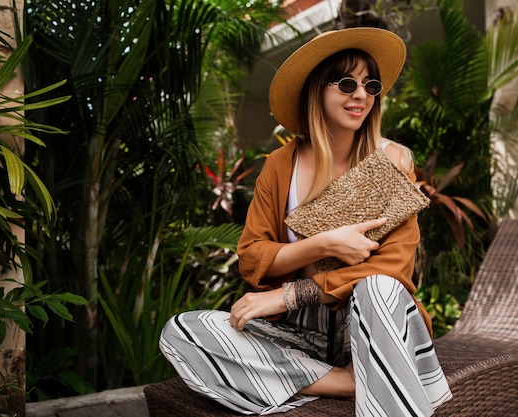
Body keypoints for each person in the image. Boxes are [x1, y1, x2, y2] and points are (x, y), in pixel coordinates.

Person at [159, 27, 452, 416]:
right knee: (182, 332)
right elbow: (251, 256)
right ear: (317, 90)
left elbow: (394, 269)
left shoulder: (392, 161)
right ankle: (348, 382)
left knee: (377, 288)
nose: (361, 95)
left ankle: (357, 376)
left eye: (371, 84)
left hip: (380, 329)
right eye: (347, 82)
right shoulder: (280, 166)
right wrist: (324, 244)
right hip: (302, 335)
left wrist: (290, 293)